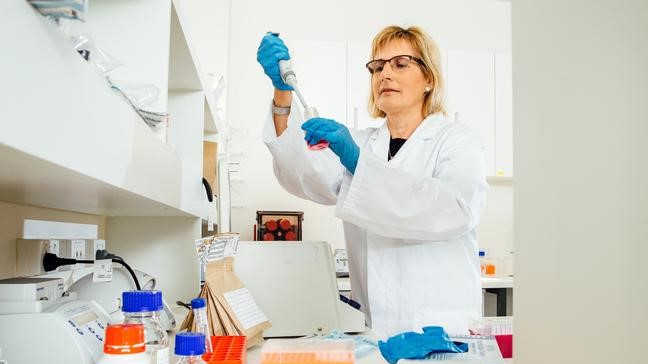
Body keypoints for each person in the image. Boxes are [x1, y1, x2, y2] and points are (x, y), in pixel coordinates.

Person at [257, 26, 488, 336]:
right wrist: (281, 89)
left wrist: (357, 163)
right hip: (373, 330)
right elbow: (303, 172)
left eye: (400, 63)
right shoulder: (361, 144)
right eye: (377, 67)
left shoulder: (457, 142)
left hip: (441, 330)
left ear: (429, 79)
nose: (384, 74)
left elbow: (454, 209)